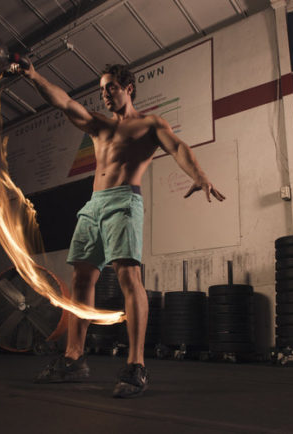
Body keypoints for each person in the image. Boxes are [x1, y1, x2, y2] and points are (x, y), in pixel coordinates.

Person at [22, 62, 225, 398]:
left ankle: (135, 365)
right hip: (93, 206)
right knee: (81, 279)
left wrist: (199, 176)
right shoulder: (98, 125)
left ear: (128, 88)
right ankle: (73, 357)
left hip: (123, 202)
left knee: (129, 278)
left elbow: (177, 147)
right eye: (102, 90)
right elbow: (64, 103)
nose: (105, 94)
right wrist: (32, 75)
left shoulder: (149, 124)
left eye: (111, 87)